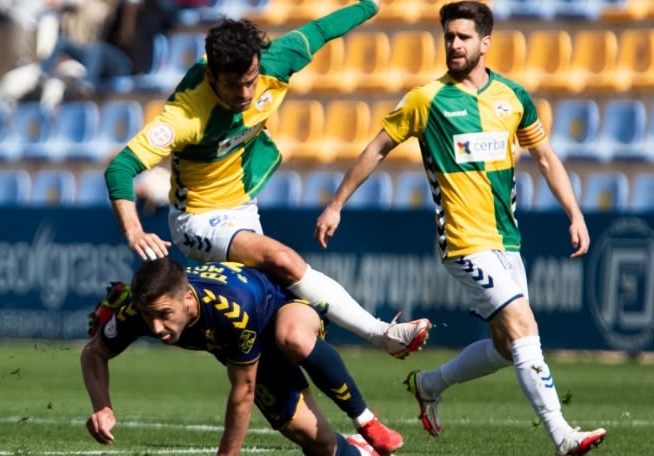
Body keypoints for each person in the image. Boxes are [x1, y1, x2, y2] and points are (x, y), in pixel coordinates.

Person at [313, 2, 606, 455]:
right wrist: (335, 204)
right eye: (449, 36)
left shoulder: (513, 97)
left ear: (485, 43)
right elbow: (377, 149)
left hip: (507, 241)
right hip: (464, 243)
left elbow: (546, 158)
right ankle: (563, 436)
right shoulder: (426, 99)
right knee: (525, 324)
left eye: (463, 37)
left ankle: (429, 384)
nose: (454, 44)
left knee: (508, 347)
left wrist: (575, 213)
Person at [102, 0, 432, 362]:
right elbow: (120, 167)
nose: (245, 94)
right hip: (197, 217)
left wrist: (373, 4)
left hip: (243, 208)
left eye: (250, 81)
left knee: (276, 323)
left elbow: (323, 30)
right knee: (283, 260)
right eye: (233, 85)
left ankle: (125, 304)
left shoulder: (275, 62)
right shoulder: (185, 114)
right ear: (211, 76)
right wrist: (134, 232)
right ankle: (383, 334)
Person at [81, 258, 402, 455]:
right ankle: (359, 453)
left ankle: (365, 420)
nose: (157, 327)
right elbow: (93, 353)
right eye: (149, 317)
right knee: (316, 443)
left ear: (188, 298)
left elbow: (243, 392)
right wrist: (102, 408)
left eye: (165, 314)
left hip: (282, 308)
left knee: (291, 338)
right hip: (248, 347)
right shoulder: (140, 311)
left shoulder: (229, 310)